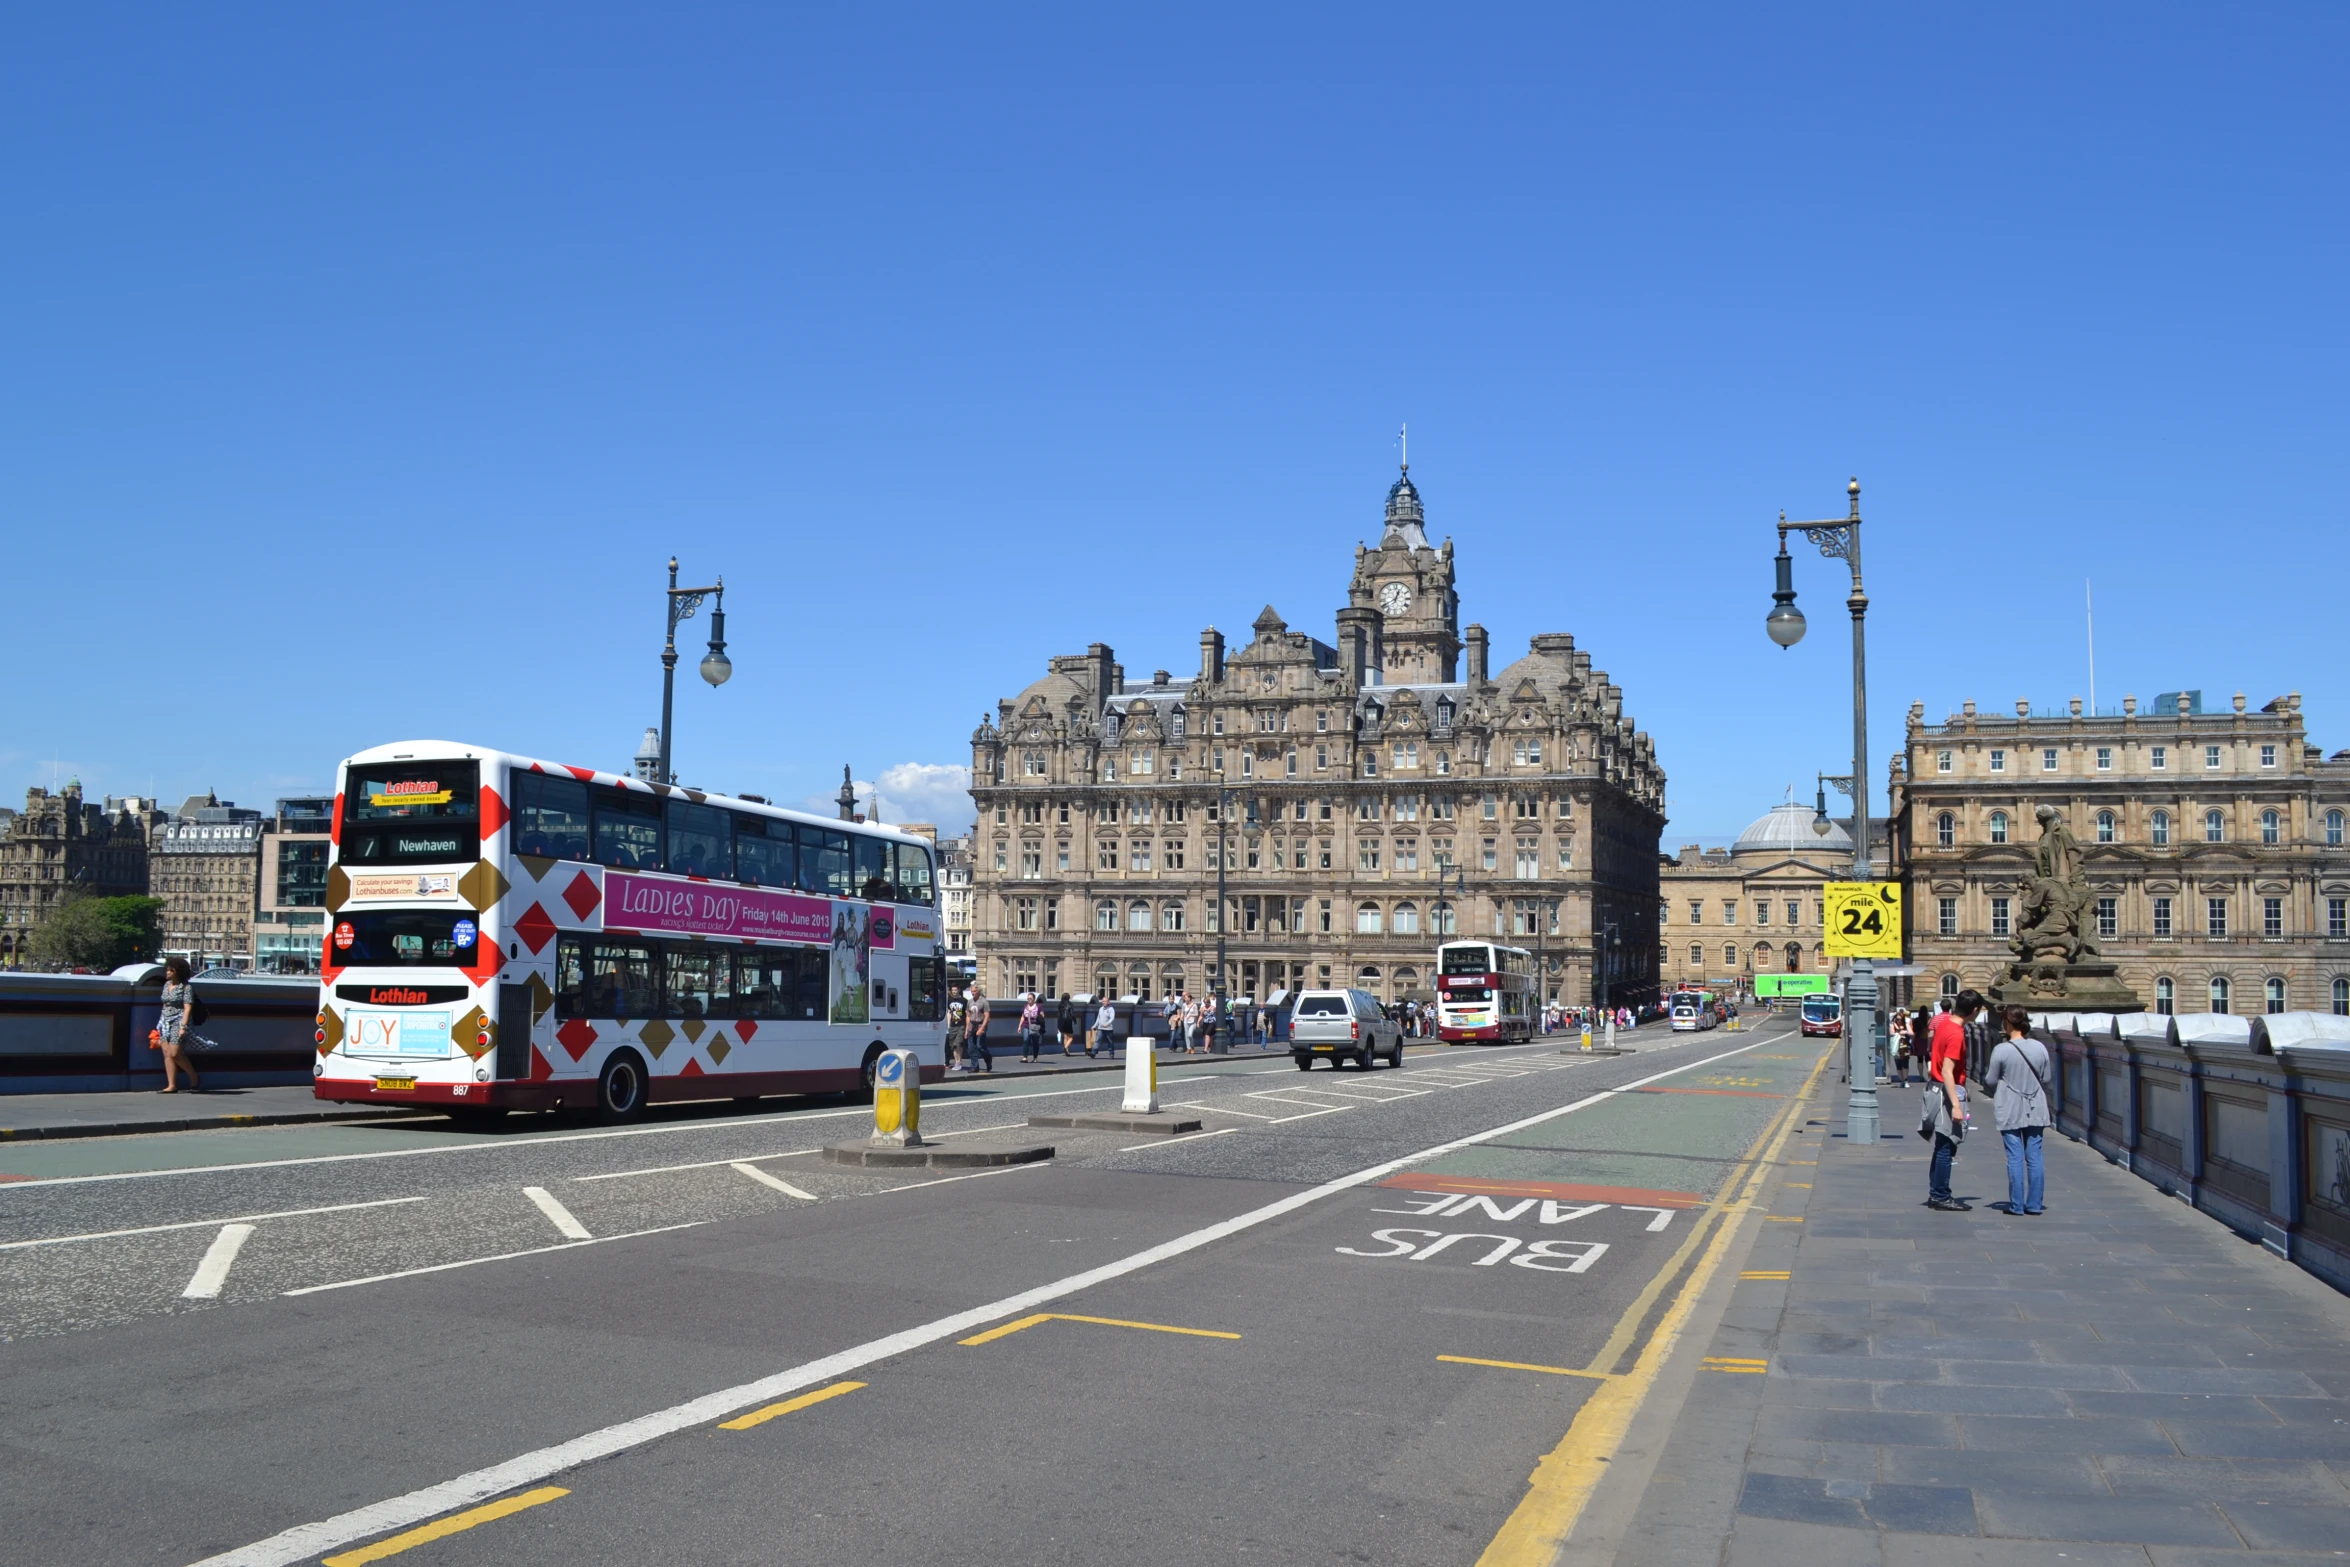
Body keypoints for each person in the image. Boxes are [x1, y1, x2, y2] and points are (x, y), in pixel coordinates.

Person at [1981, 1005, 2053, 1215]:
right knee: (2035, 1156)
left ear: (2008, 1023)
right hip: (2036, 1106)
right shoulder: (2040, 1047)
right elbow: (2046, 1078)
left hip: (2010, 1107)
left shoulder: (2001, 1050)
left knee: (2014, 1157)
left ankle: (2016, 1205)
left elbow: (1990, 1079)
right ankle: (2034, 1204)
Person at [1924, 994, 1971, 1210]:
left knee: (1941, 1144)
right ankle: (1941, 1195)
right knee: (1947, 1145)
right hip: (1946, 1091)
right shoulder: (1956, 1034)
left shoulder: (1943, 1025)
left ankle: (1936, 1192)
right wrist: (1957, 1105)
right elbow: (1948, 1071)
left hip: (1935, 1087)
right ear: (1975, 1010)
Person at [155, 956, 201, 1093]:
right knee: (167, 1054)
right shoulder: (166, 985)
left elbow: (187, 1008)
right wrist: (160, 1023)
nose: (167, 972)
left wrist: (183, 1027)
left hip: (178, 1020)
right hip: (165, 1020)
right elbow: (164, 1004)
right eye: (167, 970)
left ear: (178, 972)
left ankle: (194, 1076)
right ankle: (171, 1085)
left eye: (171, 970)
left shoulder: (186, 988)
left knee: (175, 1053)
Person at [963, 984, 992, 1074]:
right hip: (972, 1025)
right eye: (972, 991)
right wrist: (966, 1029)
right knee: (971, 1047)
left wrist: (982, 1028)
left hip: (980, 1024)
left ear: (978, 991)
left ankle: (988, 1059)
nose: (973, 993)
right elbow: (968, 1015)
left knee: (980, 1046)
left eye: (974, 991)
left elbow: (987, 1016)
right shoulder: (970, 1002)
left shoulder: (984, 1002)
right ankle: (975, 1066)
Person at [1018, 992, 1044, 1063]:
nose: (1029, 1000)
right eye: (1028, 999)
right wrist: (1020, 1026)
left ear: (1034, 999)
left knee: (1035, 1042)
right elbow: (1023, 1017)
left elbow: (1042, 1016)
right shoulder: (1025, 1006)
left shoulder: (1038, 1007)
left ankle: (1035, 1057)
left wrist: (1038, 1016)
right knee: (1026, 1040)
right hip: (1026, 1025)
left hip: (1035, 1026)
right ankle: (1025, 1057)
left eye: (1030, 999)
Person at [1056, 992, 1078, 1058]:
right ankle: (1065, 1048)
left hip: (1061, 1021)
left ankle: (1067, 1051)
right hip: (1068, 1021)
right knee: (1071, 1037)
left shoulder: (1060, 1004)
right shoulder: (1070, 1004)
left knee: (1065, 1036)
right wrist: (1074, 1020)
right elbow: (1072, 1013)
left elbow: (1059, 1014)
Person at [1094, 994, 1116, 1059]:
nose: (1103, 1002)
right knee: (1098, 1040)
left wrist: (1107, 1024)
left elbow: (1112, 1018)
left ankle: (1111, 1053)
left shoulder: (1111, 1009)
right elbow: (1098, 1018)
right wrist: (1095, 1025)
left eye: (1105, 1001)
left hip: (1109, 1029)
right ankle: (1093, 1052)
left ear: (1108, 1002)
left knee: (1110, 1041)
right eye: (1103, 1001)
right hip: (1100, 1028)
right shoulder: (1101, 1009)